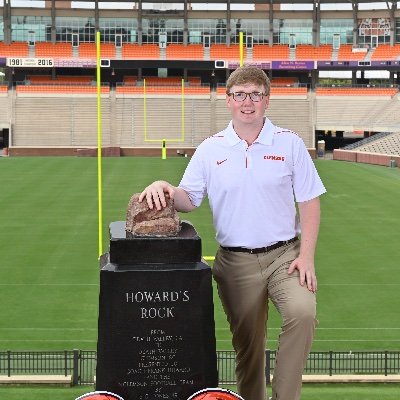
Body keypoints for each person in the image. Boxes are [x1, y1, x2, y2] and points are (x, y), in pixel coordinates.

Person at [139, 66, 326, 400]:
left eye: (255, 94)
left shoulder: (289, 143)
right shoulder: (212, 149)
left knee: (303, 312)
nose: (247, 101)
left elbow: (309, 201)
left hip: (285, 256)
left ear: (267, 100)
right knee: (248, 348)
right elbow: (189, 198)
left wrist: (308, 257)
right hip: (236, 261)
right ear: (228, 101)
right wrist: (165, 187)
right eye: (240, 94)